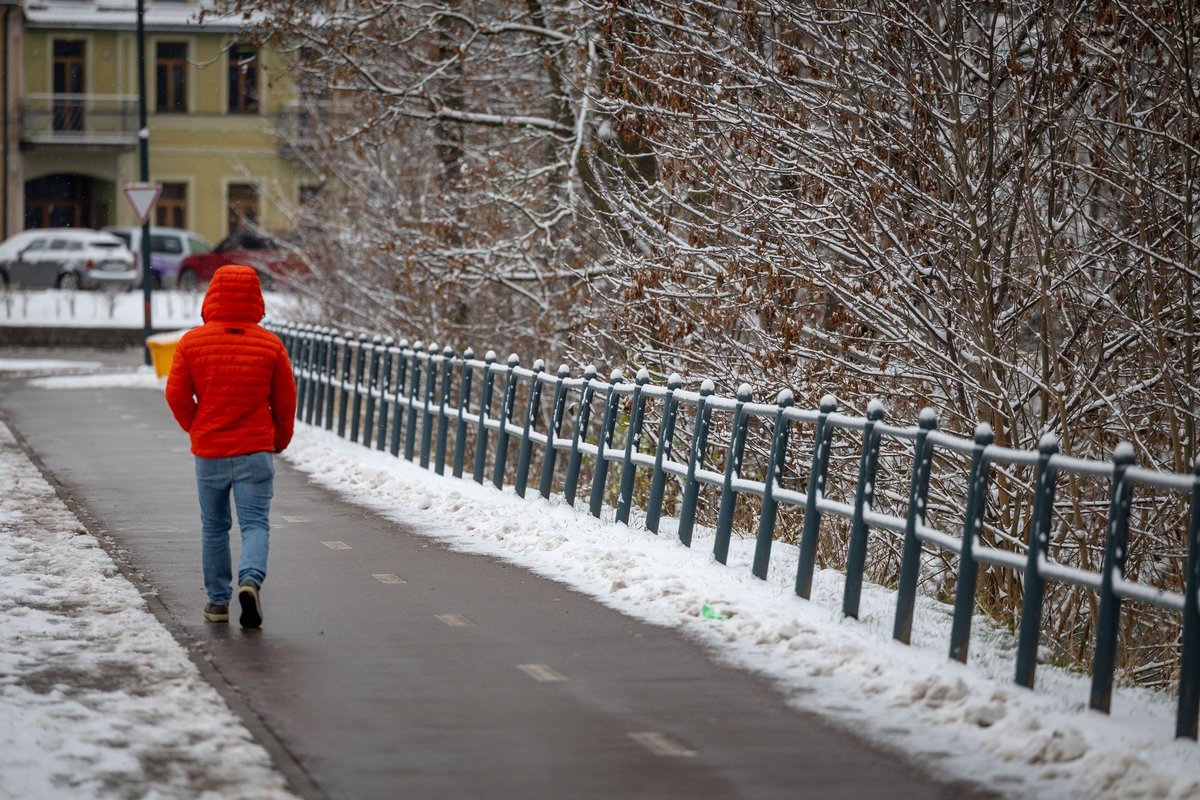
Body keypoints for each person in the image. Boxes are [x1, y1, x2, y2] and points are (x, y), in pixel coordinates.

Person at [165, 264, 297, 629]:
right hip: (255, 450)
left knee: (214, 526)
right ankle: (250, 581)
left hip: (210, 452)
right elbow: (285, 401)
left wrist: (197, 426)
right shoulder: (270, 345)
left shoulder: (192, 342)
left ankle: (217, 602)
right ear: (256, 298)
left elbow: (176, 394)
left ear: (212, 296)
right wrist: (279, 440)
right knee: (254, 524)